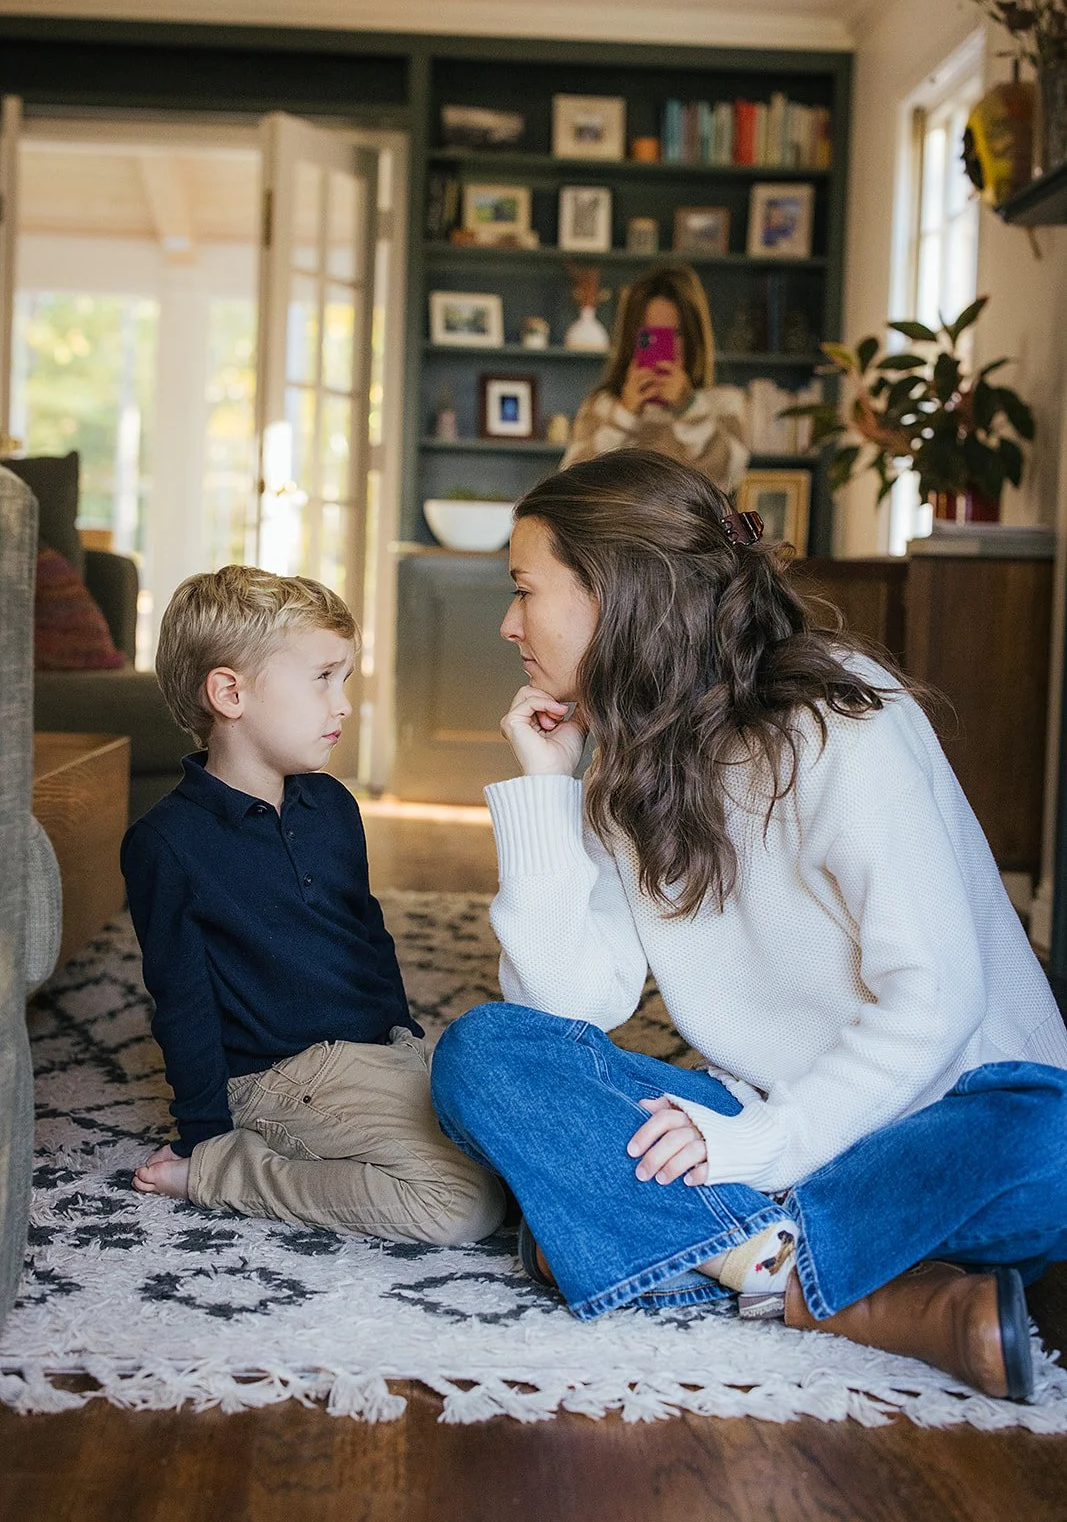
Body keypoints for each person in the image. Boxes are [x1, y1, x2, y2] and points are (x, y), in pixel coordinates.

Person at [429, 449, 1067, 1401]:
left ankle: (692, 1245)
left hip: (951, 1119)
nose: (508, 622)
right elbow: (570, 1007)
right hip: (764, 1126)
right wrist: (546, 791)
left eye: (525, 589)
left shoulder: (837, 721)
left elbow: (939, 1001)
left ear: (614, 593)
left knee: (1053, 1149)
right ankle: (835, 1290)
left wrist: (761, 1150)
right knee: (483, 1056)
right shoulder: (625, 753)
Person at [121, 565, 504, 1247]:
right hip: (278, 1077)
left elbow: (365, 933)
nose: (344, 704)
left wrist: (403, 1039)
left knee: (528, 1132)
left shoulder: (331, 805)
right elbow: (181, 1000)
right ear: (230, 693)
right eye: (323, 678)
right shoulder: (167, 844)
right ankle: (224, 1173)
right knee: (461, 1206)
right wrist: (206, 1139)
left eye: (345, 679)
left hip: (376, 1053)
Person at [561, 262, 748, 489]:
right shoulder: (602, 406)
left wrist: (688, 407)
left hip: (688, 525)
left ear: (693, 336)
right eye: (649, 335)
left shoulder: (723, 403)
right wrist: (624, 415)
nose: (662, 346)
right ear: (631, 337)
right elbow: (572, 485)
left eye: (674, 334)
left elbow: (728, 476)